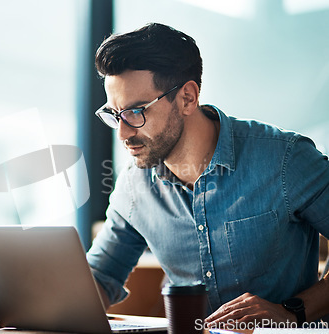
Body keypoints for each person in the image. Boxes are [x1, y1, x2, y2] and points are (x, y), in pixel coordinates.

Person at [86, 22, 329, 328]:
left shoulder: (284, 160)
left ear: (187, 97)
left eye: (136, 111)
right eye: (114, 114)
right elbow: (99, 276)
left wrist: (293, 311)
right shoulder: (134, 187)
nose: (122, 133)